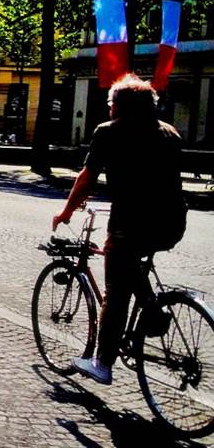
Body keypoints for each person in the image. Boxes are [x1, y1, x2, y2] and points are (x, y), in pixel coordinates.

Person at [55, 75, 187, 385]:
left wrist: (66, 211)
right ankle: (152, 309)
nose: (109, 108)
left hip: (132, 222)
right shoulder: (170, 133)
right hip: (172, 223)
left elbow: (87, 178)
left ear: (118, 107)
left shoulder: (109, 132)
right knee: (130, 265)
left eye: (111, 103)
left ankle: (102, 364)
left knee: (115, 292)